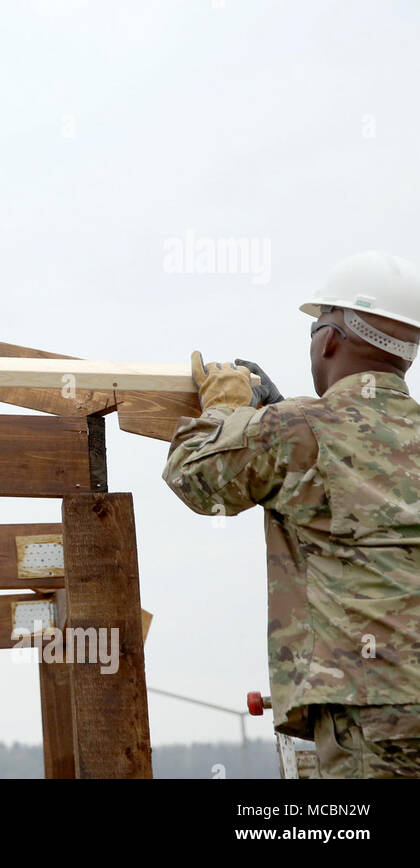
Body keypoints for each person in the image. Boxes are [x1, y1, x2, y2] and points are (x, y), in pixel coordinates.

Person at [162, 250, 420, 778]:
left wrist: (226, 407)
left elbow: (193, 476)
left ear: (328, 339)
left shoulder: (296, 429)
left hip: (372, 708)